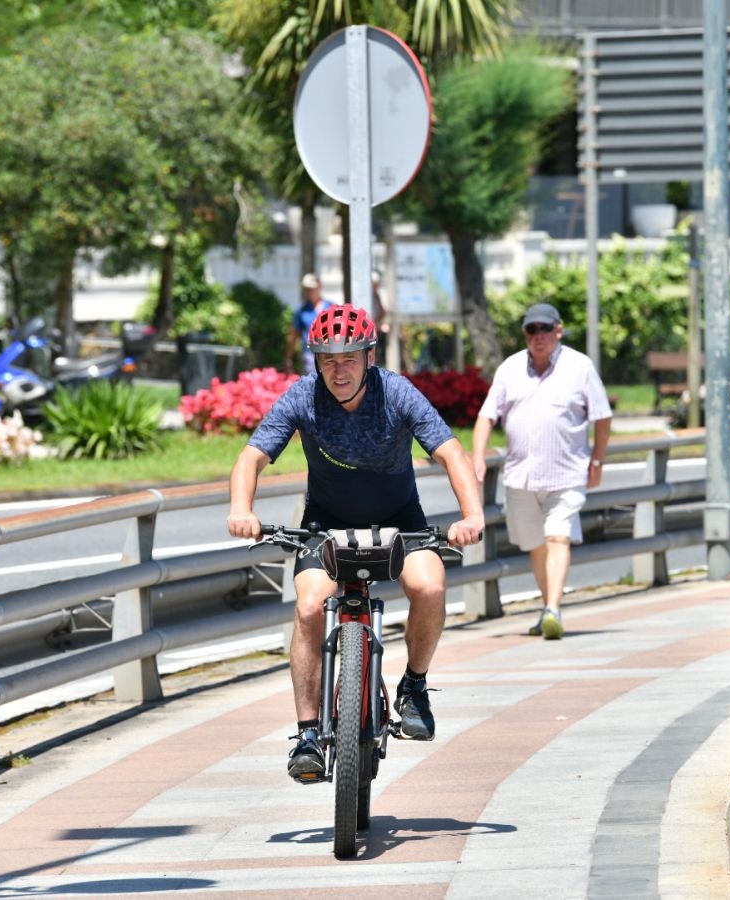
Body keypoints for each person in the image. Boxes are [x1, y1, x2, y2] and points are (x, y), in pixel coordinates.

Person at [226, 304, 485, 783]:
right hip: (326, 523)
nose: (338, 370)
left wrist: (472, 516)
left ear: (369, 356)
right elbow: (251, 458)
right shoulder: (303, 398)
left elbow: (451, 453)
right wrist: (242, 509)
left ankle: (414, 686)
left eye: (348, 358)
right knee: (308, 607)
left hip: (399, 519)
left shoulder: (397, 393)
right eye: (327, 359)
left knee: (429, 586)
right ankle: (307, 734)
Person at [470, 303, 612, 640]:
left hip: (567, 473)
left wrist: (598, 459)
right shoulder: (509, 369)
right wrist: (476, 456)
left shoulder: (580, 366)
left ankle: (552, 610)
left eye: (545, 329)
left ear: (558, 331)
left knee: (557, 536)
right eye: (531, 330)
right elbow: (487, 415)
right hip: (521, 476)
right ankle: (549, 606)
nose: (538, 336)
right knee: (535, 544)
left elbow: (602, 416)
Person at [286, 273, 334, 374]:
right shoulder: (302, 310)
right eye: (307, 289)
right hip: (309, 355)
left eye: (312, 288)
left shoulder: (331, 307)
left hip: (330, 354)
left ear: (319, 287)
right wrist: (288, 357)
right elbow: (294, 334)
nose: (310, 291)